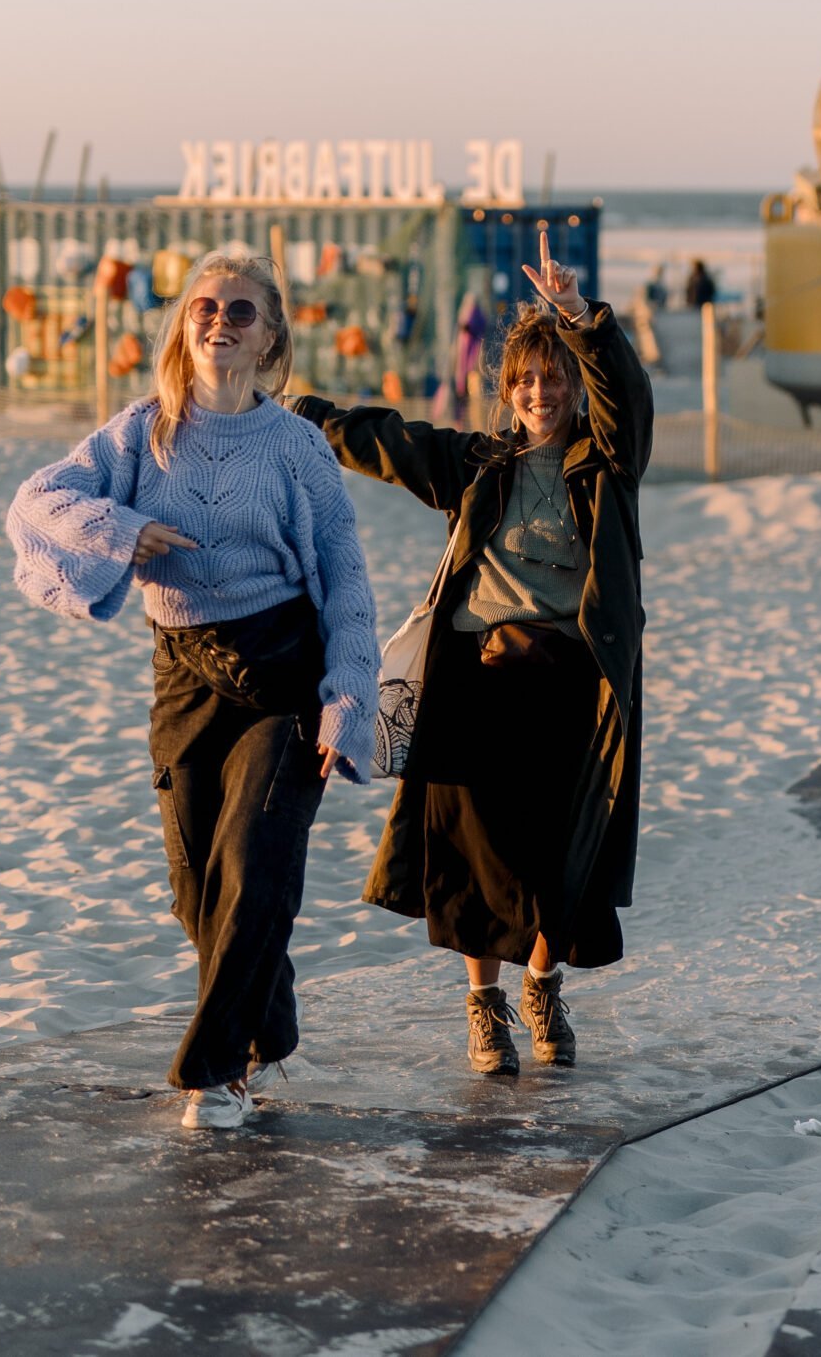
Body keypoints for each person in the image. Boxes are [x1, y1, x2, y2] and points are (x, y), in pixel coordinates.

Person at [5, 248, 379, 1132]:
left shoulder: (298, 448)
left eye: (240, 311)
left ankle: (214, 1076)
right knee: (195, 892)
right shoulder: (141, 432)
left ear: (271, 338)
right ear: (183, 326)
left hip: (284, 673)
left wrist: (348, 698)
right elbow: (35, 500)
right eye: (204, 307)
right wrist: (121, 528)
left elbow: (349, 581)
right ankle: (271, 1016)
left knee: (254, 873)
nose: (219, 321)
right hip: (182, 675)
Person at [290, 232, 649, 1077]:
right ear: (507, 390)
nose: (539, 391)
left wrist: (581, 321)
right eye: (524, 380)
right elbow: (384, 440)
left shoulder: (606, 465)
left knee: (562, 852)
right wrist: (296, 416)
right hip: (476, 681)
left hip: (572, 688)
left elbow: (625, 395)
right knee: (473, 854)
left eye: (553, 376)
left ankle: (542, 987)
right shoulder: (478, 465)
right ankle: (484, 1007)